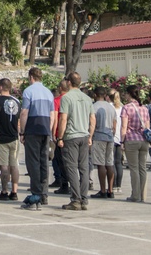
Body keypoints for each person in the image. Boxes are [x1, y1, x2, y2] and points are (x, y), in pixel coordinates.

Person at [56, 72, 94, 211]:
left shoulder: (66, 98)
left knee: (71, 168)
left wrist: (60, 137)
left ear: (69, 83)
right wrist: (90, 135)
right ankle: (84, 198)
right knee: (84, 168)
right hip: (84, 135)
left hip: (71, 136)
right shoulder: (87, 98)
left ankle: (76, 199)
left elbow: (63, 119)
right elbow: (92, 119)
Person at [19, 67, 55, 210]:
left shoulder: (29, 91)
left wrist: (22, 132)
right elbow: (52, 115)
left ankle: (35, 195)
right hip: (45, 128)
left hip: (33, 128)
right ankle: (44, 193)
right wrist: (50, 130)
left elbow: (24, 112)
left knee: (32, 162)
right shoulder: (48, 93)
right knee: (43, 161)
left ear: (31, 77)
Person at [0, 77, 20, 202]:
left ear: (1, 87)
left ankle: (4, 191)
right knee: (14, 165)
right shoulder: (17, 102)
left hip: (2, 138)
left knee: (4, 166)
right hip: (14, 137)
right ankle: (15, 191)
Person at [119, 85, 150, 202]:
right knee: (142, 168)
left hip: (131, 139)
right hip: (144, 140)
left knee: (134, 168)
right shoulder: (144, 108)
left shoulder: (126, 108)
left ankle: (135, 195)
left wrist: (122, 141)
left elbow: (124, 126)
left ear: (128, 94)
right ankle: (143, 194)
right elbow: (147, 126)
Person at [91, 87, 116, 198]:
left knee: (101, 164)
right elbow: (114, 124)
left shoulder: (94, 107)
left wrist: (90, 136)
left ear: (96, 95)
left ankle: (102, 190)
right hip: (110, 136)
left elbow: (92, 123)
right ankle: (110, 189)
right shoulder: (111, 108)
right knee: (109, 163)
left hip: (99, 136)